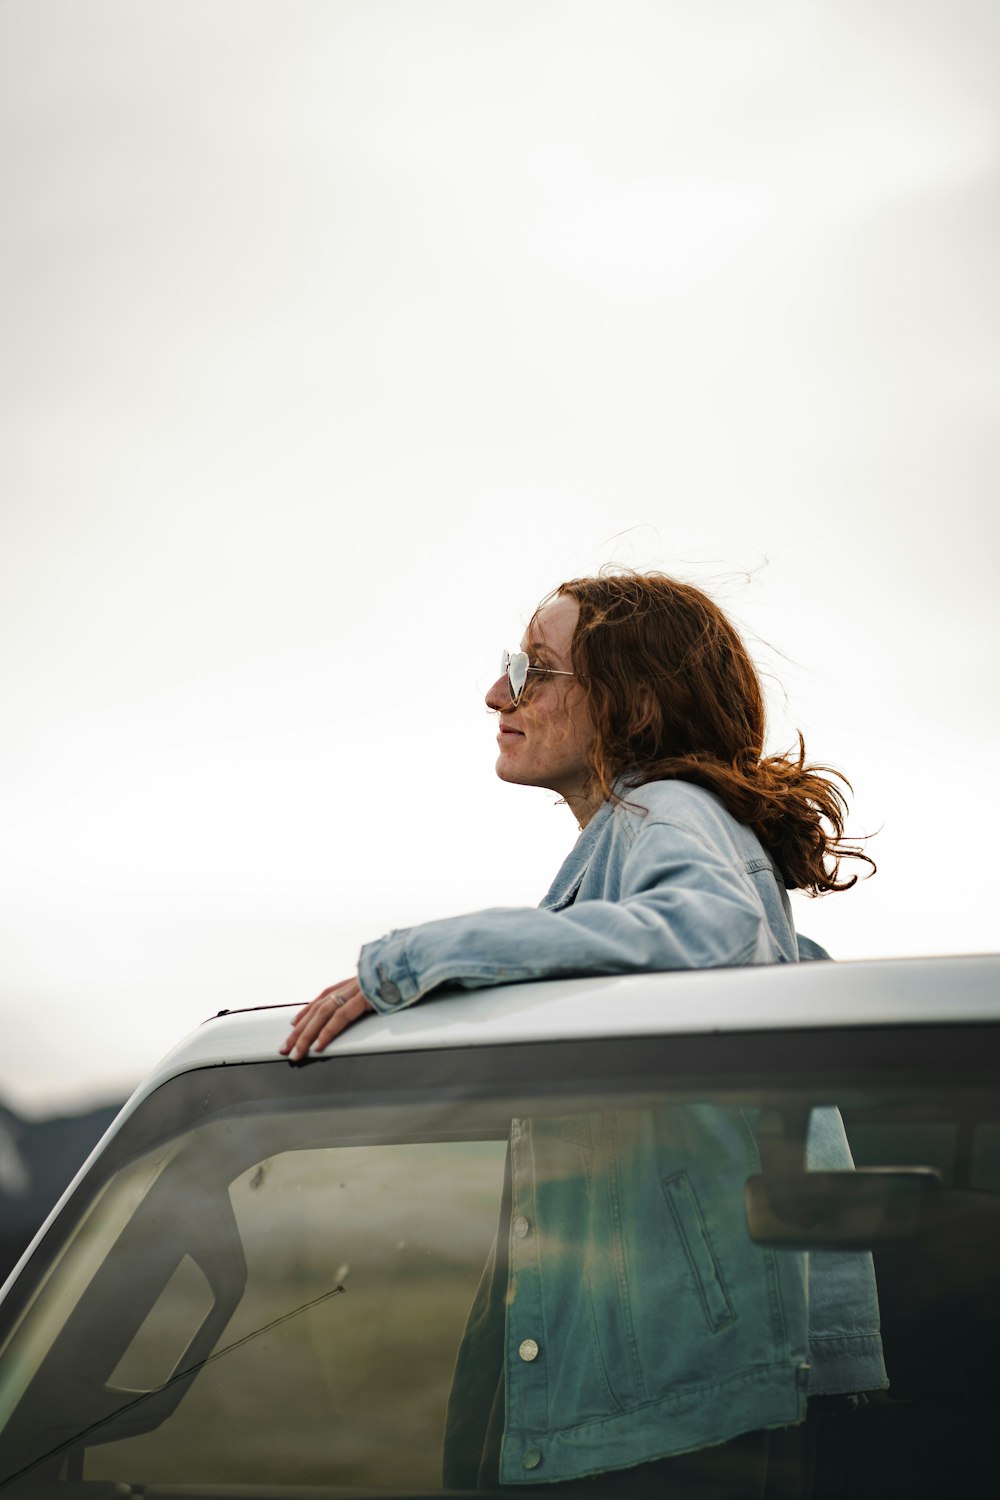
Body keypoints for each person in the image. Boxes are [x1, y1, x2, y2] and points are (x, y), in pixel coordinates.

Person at [281, 571, 886, 1494]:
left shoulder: (666, 809)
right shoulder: (644, 831)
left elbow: (707, 937)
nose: (499, 694)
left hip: (684, 1406)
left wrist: (413, 959)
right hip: (676, 1388)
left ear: (633, 702)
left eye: (536, 668)